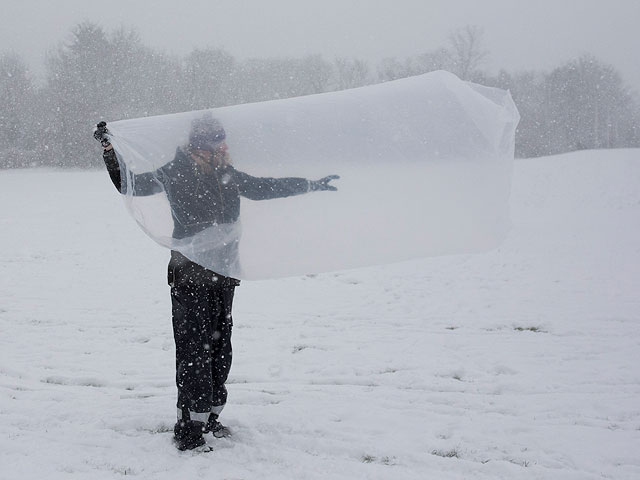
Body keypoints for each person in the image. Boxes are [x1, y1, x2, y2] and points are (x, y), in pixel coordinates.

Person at [94, 115, 339, 450]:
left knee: (219, 349)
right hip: (189, 275)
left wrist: (309, 184)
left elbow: (266, 187)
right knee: (194, 350)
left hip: (223, 276)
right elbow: (128, 183)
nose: (225, 146)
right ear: (200, 145)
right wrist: (111, 150)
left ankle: (210, 416)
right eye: (217, 141)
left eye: (224, 140)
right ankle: (188, 429)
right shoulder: (175, 171)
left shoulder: (227, 174)